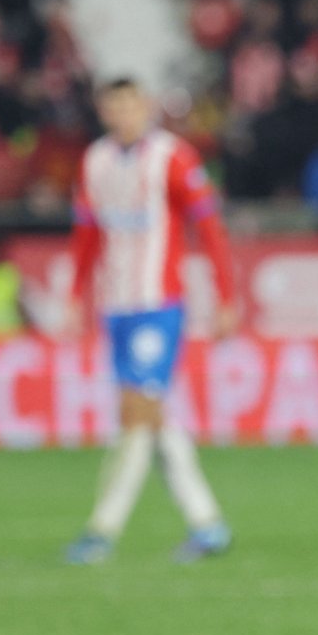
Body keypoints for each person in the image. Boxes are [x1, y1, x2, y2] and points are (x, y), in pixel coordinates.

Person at [63, 77, 239, 565]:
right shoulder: (94, 162)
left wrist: (227, 297)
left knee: (134, 415)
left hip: (159, 305)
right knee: (154, 418)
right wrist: (75, 294)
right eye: (113, 106)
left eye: (130, 105)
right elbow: (87, 237)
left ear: (145, 107)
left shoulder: (174, 157)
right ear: (104, 112)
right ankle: (207, 523)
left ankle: (103, 529)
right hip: (116, 306)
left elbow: (211, 229)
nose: (123, 114)